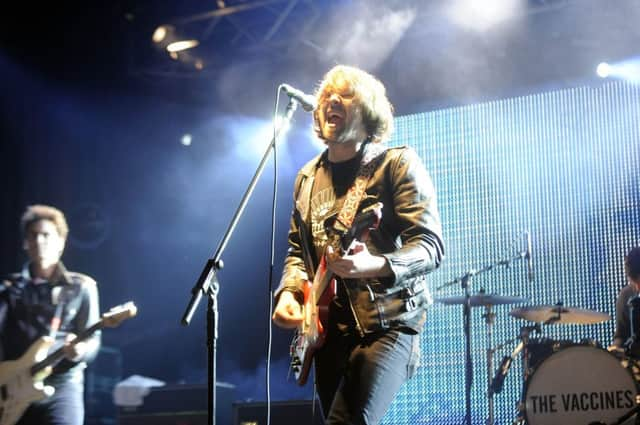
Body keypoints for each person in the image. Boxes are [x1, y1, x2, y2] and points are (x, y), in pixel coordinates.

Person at [272, 65, 444, 424]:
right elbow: (297, 252)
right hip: (327, 331)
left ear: (368, 110)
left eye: (345, 94)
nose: (331, 99)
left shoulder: (395, 164)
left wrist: (377, 265)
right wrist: (290, 293)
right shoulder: (306, 178)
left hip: (386, 324)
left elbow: (430, 246)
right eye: (326, 95)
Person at [0, 204, 101, 425]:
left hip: (62, 385)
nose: (39, 241)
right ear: (26, 243)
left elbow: (93, 338)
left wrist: (80, 351)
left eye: (46, 235)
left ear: (61, 242)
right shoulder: (9, 288)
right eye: (33, 236)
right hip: (14, 387)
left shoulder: (82, 287)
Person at [611, 246, 640, 357]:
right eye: (634, 282)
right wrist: (614, 349)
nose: (637, 288)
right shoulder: (625, 295)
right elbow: (620, 336)